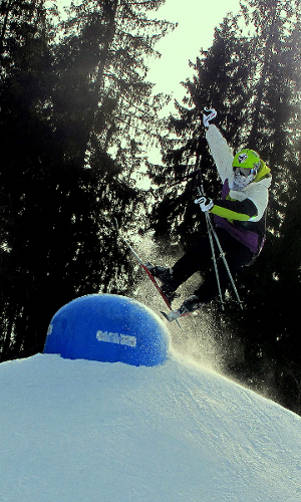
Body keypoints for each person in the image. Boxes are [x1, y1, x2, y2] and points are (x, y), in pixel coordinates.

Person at [146, 109, 272, 321]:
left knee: (226, 267)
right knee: (202, 249)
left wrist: (213, 205)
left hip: (246, 243)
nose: (240, 178)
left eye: (245, 173)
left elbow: (245, 213)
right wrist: (210, 126)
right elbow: (220, 150)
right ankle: (172, 279)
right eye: (237, 172)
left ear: (255, 171)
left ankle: (198, 298)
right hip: (226, 230)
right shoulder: (230, 173)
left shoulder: (260, 190)